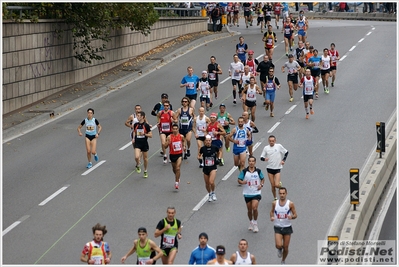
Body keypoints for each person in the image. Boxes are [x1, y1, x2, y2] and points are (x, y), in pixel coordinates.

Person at [270, 187, 297, 264]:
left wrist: (292, 217)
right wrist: (271, 217)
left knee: (286, 247)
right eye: (280, 193)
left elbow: (295, 214)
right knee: (278, 245)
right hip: (278, 226)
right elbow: (272, 212)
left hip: (287, 227)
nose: (282, 195)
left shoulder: (290, 204)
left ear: (286, 194)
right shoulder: (275, 203)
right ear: (278, 194)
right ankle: (279, 249)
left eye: (283, 193)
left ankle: (283, 260)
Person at [237, 156, 265, 233]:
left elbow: (262, 179)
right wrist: (242, 182)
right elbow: (239, 180)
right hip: (247, 193)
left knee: (254, 208)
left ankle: (255, 223)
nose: (251, 162)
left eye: (253, 161)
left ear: (255, 162)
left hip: (256, 192)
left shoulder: (258, 171)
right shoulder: (244, 171)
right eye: (250, 161)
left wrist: (261, 185)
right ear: (248, 162)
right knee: (249, 210)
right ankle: (251, 221)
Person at [260, 135, 288, 200]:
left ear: (275, 141)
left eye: (273, 141)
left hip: (277, 168)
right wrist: (264, 159)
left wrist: (283, 160)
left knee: (276, 185)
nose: (271, 142)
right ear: (268, 141)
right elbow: (261, 157)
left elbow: (286, 152)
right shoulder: (266, 148)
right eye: (270, 141)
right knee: (272, 185)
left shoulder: (279, 146)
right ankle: (275, 198)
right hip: (269, 168)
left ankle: (279, 184)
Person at [198, 134, 220, 202]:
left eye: (209, 140)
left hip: (213, 167)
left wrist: (218, 159)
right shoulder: (202, 148)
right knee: (207, 184)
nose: (208, 142)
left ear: (211, 141)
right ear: (205, 141)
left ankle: (213, 193)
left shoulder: (214, 147)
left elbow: (219, 152)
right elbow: (199, 155)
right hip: (205, 168)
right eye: (207, 141)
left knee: (211, 182)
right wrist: (200, 158)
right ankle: (210, 194)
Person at [131, 111, 152, 178]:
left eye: (139, 116)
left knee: (145, 159)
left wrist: (145, 134)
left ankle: (145, 171)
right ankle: (138, 165)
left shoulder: (146, 125)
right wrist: (133, 138)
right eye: (137, 116)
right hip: (137, 143)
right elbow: (134, 132)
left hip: (144, 143)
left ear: (142, 117)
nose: (137, 117)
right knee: (137, 157)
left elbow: (151, 135)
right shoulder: (135, 125)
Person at [164, 124, 185, 189]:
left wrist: (184, 146)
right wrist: (168, 143)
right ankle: (177, 177)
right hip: (172, 155)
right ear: (172, 129)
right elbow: (165, 146)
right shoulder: (169, 137)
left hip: (179, 154)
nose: (175, 130)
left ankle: (176, 183)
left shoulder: (181, 136)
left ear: (178, 129)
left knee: (178, 168)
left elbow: (184, 142)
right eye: (174, 129)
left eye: (176, 129)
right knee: (174, 169)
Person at [157, 100, 176, 164]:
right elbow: (158, 117)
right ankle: (165, 155)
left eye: (167, 106)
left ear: (169, 106)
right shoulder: (160, 112)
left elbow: (176, 120)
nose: (165, 107)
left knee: (169, 144)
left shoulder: (171, 113)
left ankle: (170, 154)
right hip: (162, 130)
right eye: (164, 106)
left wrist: (173, 120)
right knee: (163, 143)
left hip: (170, 130)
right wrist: (158, 122)